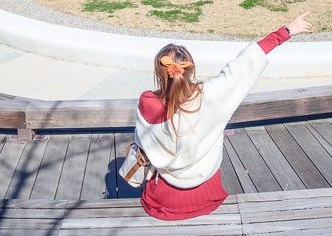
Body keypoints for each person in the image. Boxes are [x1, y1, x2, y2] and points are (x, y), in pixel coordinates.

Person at [134, 11, 314, 220]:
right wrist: (286, 31)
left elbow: (144, 144)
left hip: (164, 201)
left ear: (159, 73)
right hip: (206, 196)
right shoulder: (212, 95)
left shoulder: (147, 101)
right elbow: (244, 63)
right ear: (190, 70)